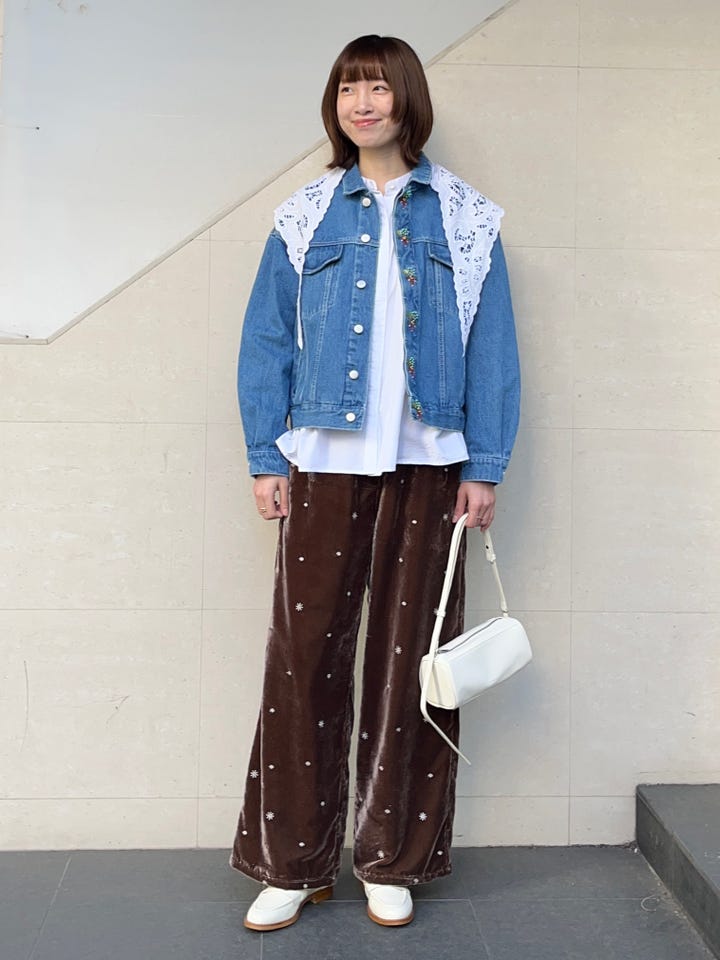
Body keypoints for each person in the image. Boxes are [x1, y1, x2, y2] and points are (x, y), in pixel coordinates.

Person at [229, 34, 520, 931]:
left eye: (379, 88)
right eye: (349, 88)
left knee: (409, 666)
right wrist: (265, 455)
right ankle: (294, 864)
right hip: (322, 463)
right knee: (303, 660)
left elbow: (493, 350)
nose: (363, 103)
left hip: (431, 468)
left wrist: (484, 465)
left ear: (407, 100)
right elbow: (267, 339)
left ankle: (390, 859)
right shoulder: (305, 213)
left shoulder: (467, 217)